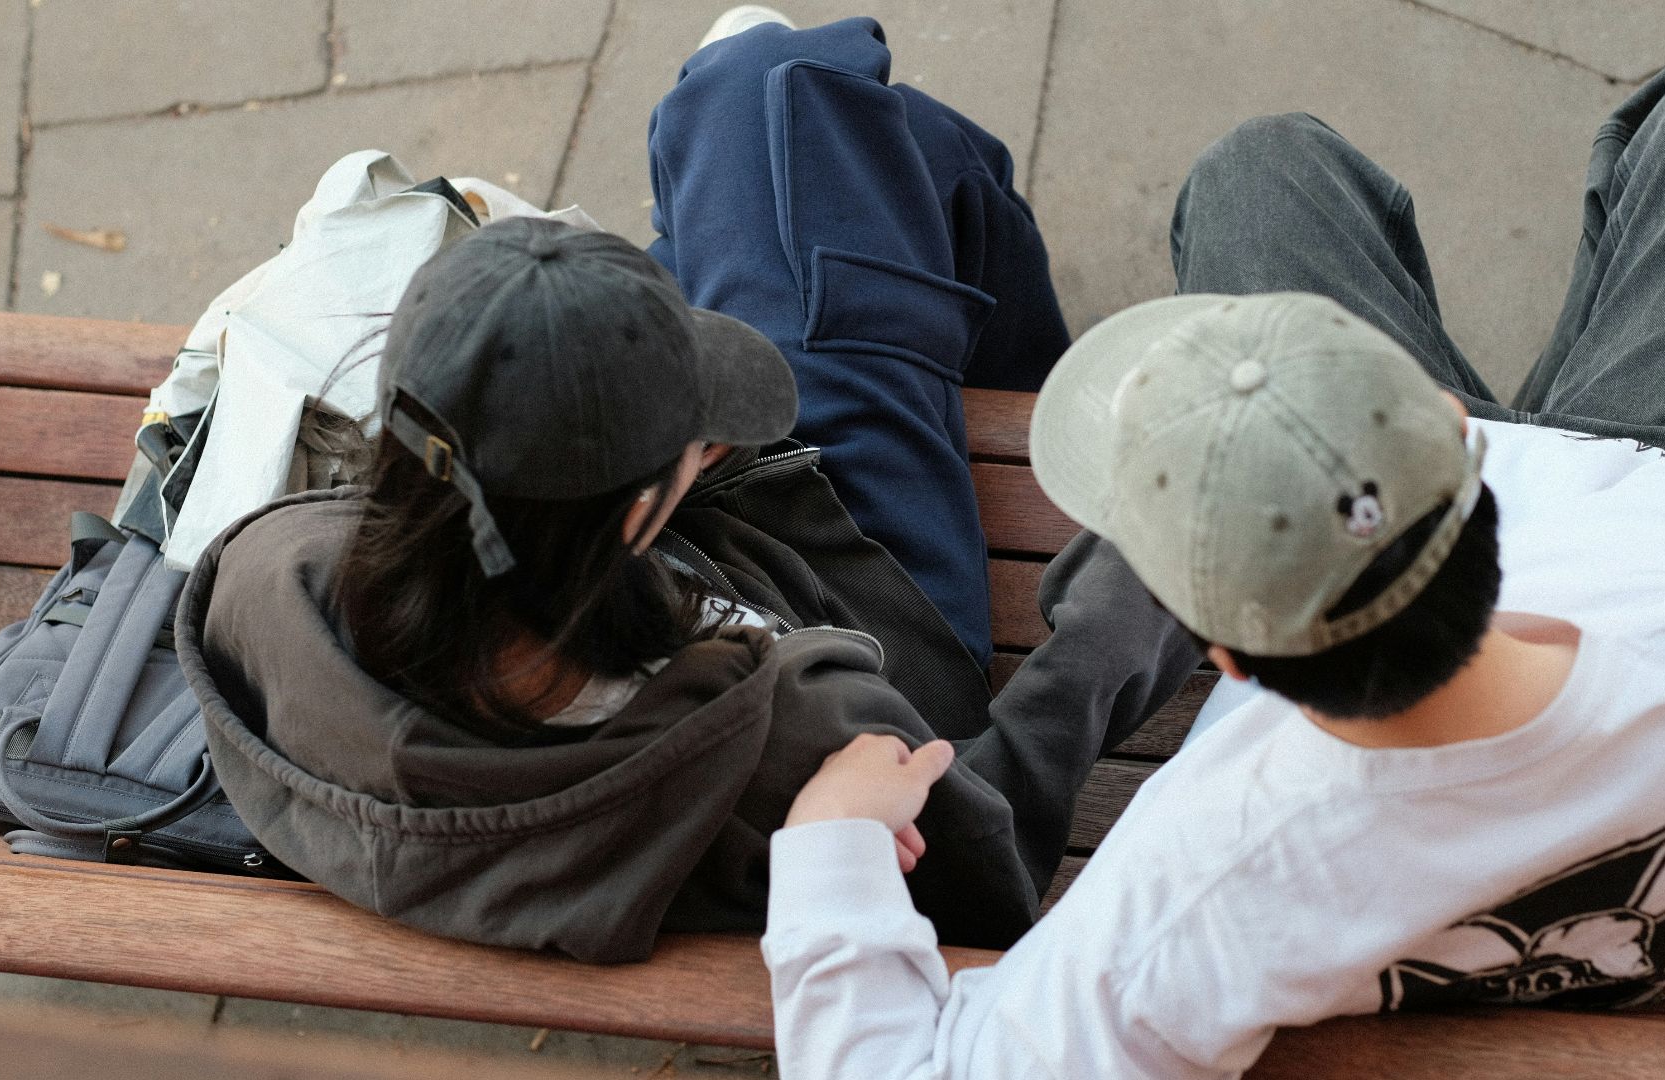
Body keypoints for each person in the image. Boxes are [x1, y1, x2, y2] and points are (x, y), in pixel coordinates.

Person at [762, 51, 1665, 1077]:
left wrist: (832, 843)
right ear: (1457, 434)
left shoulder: (1212, 870)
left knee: (1259, 169)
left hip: (1550, 527)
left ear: (1225, 656)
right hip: (1664, 504)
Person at [175, 11, 1191, 963]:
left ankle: (878, 215)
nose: (714, 440)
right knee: (786, 93)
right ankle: (1022, 367)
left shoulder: (269, 581)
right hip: (875, 610)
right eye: (698, 439)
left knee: (789, 116)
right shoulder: (790, 727)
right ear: (636, 512)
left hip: (681, 602)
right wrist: (1129, 602)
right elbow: (991, 870)